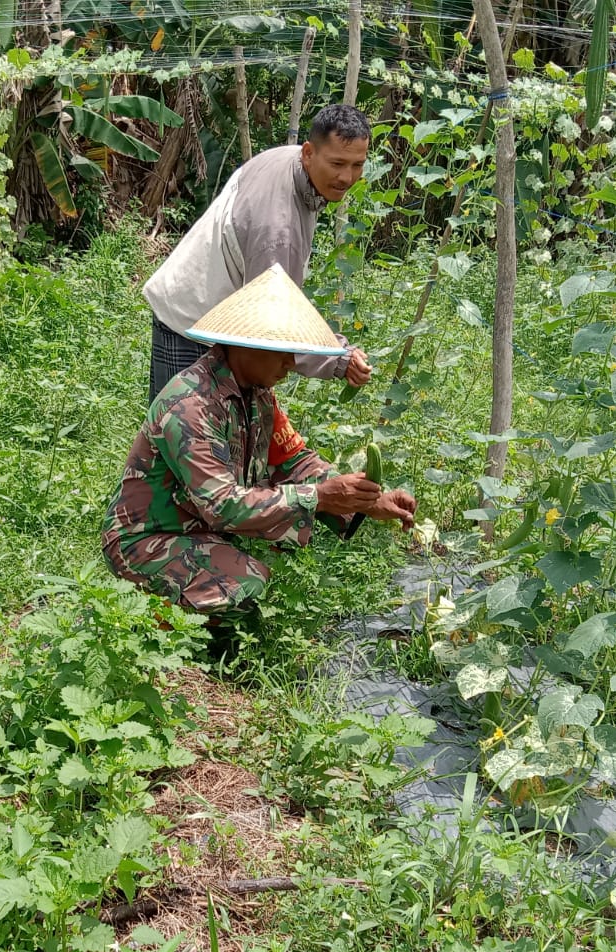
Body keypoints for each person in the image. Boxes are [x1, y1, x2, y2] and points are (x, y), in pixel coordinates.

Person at [104, 264, 416, 621]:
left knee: (270, 544)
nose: (290, 364)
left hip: (197, 527)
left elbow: (294, 462)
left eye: (293, 352)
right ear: (243, 346)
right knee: (246, 582)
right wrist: (322, 496)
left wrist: (366, 500)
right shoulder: (190, 407)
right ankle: (152, 626)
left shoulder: (258, 395)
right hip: (145, 539)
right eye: (281, 351)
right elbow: (221, 506)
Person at [142, 103, 374, 403]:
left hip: (207, 308)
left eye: (357, 165)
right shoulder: (277, 231)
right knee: (184, 437)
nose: (347, 177)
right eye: (338, 163)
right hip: (192, 323)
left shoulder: (287, 160)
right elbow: (273, 326)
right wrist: (340, 358)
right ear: (308, 153)